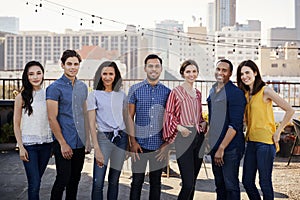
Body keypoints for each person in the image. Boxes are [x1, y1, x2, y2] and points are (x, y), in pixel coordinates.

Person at [236, 60, 295, 200]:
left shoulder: (265, 90)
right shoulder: (245, 94)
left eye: (247, 72)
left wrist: (278, 131)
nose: (244, 76)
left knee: (264, 182)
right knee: (247, 182)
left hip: (265, 143)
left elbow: (290, 110)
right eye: (242, 74)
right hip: (250, 142)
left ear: (255, 73)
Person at [46, 49, 91, 200]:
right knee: (62, 179)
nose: (73, 67)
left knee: (75, 180)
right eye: (69, 64)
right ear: (62, 65)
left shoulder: (83, 87)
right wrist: (63, 144)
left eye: (76, 64)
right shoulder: (54, 88)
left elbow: (85, 114)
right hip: (64, 142)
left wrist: (88, 140)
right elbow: (52, 118)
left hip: (80, 142)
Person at [128, 54, 171, 200]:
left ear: (161, 69)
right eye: (150, 66)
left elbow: (171, 121)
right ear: (145, 68)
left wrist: (167, 144)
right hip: (139, 145)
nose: (154, 69)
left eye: (157, 66)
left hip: (159, 146)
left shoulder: (167, 92)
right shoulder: (135, 89)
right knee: (137, 182)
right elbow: (129, 117)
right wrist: (132, 143)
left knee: (156, 183)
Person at [163, 59, 207, 200]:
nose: (191, 74)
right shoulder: (176, 92)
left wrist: (203, 123)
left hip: (198, 139)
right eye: (188, 71)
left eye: (194, 71)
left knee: (193, 182)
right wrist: (180, 127)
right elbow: (168, 115)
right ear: (182, 73)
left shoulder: (198, 93)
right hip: (184, 138)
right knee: (187, 183)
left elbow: (199, 116)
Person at [87, 61, 129, 200]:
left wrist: (128, 142)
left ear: (115, 75)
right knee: (98, 182)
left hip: (121, 139)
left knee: (114, 181)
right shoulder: (94, 95)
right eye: (104, 74)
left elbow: (126, 118)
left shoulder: (122, 95)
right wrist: (96, 148)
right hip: (103, 139)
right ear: (100, 76)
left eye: (111, 74)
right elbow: (91, 123)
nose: (107, 77)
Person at [13, 61, 53, 200]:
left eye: (38, 73)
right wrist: (21, 147)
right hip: (29, 146)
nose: (35, 77)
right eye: (31, 74)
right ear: (26, 76)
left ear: (43, 74)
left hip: (47, 145)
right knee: (34, 184)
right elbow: (16, 124)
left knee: (37, 181)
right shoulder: (21, 97)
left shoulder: (48, 94)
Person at [207, 59, 246, 200]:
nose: (220, 72)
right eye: (218, 69)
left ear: (230, 74)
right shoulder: (213, 89)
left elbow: (235, 125)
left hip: (230, 148)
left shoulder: (235, 93)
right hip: (215, 145)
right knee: (220, 184)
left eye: (224, 70)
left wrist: (222, 148)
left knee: (231, 186)